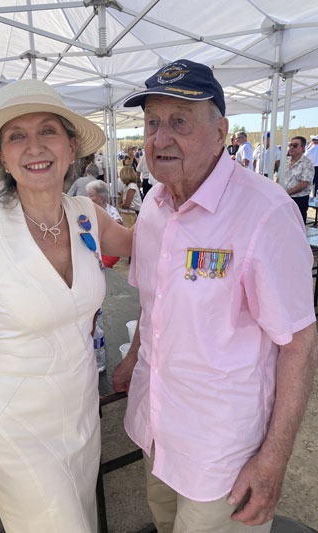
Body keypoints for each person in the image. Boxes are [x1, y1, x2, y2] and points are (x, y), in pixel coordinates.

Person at [113, 58, 317, 533]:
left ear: (221, 131)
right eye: (152, 123)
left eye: (179, 122)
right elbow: (152, 302)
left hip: (221, 456)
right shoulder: (153, 206)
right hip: (156, 430)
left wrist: (272, 461)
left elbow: (300, 344)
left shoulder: (264, 214)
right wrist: (133, 358)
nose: (160, 138)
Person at [0, 79, 132, 532]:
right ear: (2, 156)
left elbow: (149, 242)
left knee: (81, 516)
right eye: (16, 136)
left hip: (81, 415)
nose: (34, 146)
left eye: (48, 131)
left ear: (70, 145)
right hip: (13, 427)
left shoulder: (86, 212)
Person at [86, 179, 122, 268]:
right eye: (88, 195)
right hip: (89, 251)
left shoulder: (111, 211)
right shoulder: (87, 210)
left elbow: (117, 229)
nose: (88, 198)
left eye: (91, 196)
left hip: (107, 252)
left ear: (101, 198)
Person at [284, 136, 314, 224]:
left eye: (295, 145)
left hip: (299, 200)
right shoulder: (286, 161)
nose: (291, 147)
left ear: (302, 148)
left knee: (298, 227)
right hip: (284, 199)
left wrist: (287, 193)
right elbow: (279, 178)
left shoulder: (307, 163)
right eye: (290, 145)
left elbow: (304, 184)